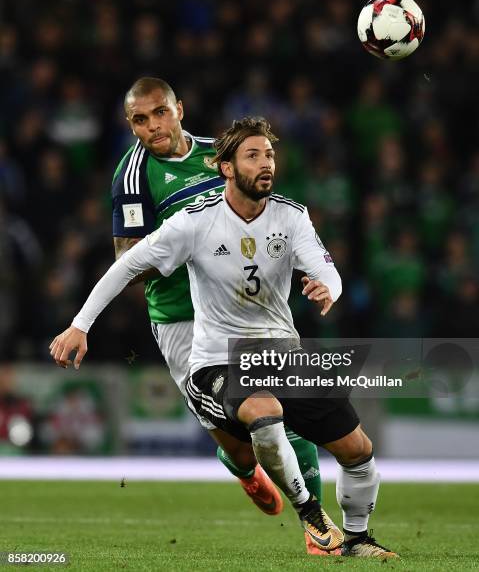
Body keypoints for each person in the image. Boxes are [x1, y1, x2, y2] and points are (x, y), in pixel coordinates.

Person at [51, 117, 397, 559]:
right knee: (265, 413)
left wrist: (329, 287)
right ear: (227, 168)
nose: (266, 163)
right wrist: (80, 324)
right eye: (253, 156)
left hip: (282, 352)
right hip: (219, 359)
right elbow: (125, 267)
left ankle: (358, 540)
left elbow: (324, 265)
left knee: (358, 450)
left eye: (269, 154)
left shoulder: (290, 215)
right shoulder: (193, 223)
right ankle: (311, 514)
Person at [111, 77, 330, 555]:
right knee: (241, 443)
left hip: (244, 306)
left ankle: (316, 526)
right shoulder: (132, 177)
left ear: (180, 109)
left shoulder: (221, 153)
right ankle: (243, 468)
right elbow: (126, 262)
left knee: (283, 415)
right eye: (140, 121)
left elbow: (263, 209)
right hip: (180, 321)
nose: (154, 127)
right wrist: (185, 244)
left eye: (160, 113)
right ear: (131, 125)